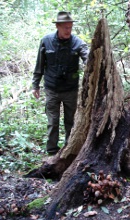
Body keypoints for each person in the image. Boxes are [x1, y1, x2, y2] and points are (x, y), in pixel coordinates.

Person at [32, 11, 89, 155]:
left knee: (71, 121)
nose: (68, 31)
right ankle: (52, 151)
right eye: (65, 28)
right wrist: (35, 85)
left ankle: (69, 150)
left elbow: (88, 58)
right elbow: (39, 64)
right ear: (57, 26)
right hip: (51, 88)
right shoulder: (46, 41)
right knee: (53, 122)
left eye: (70, 27)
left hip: (71, 89)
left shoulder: (78, 42)